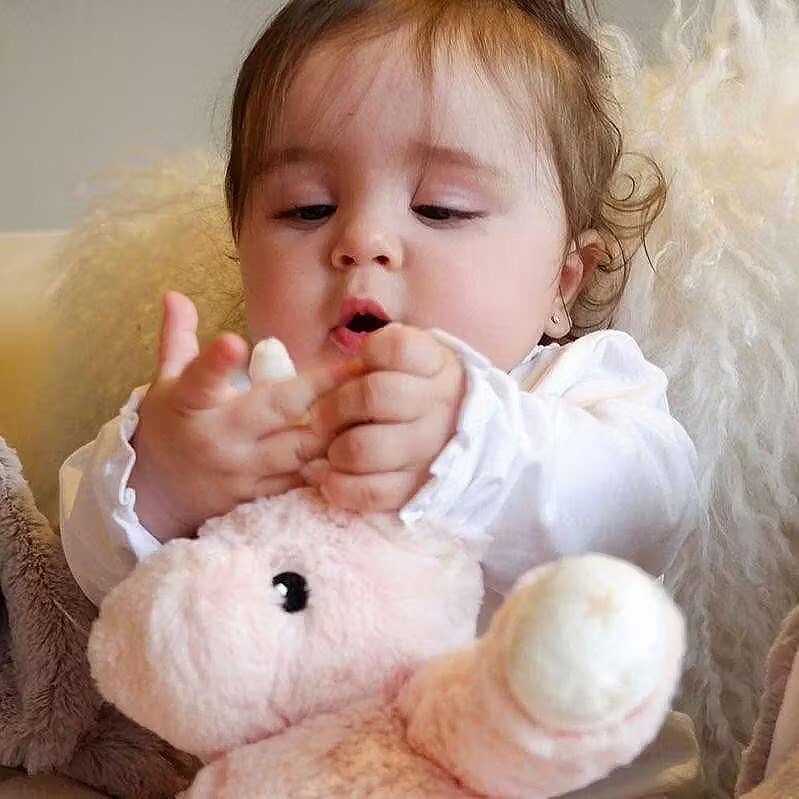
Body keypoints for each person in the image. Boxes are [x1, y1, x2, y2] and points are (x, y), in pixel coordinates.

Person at [60, 0, 699, 616]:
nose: (362, 239)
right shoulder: (230, 414)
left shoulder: (573, 395)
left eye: (441, 208)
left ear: (563, 282)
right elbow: (89, 578)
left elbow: (645, 517)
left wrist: (470, 447)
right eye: (307, 208)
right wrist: (166, 484)